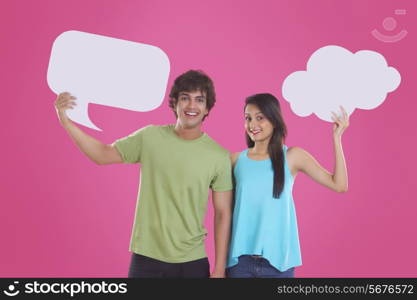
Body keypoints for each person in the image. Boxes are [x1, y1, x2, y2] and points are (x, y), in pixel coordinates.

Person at [54, 70, 233, 278]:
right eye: (185, 98)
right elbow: (102, 155)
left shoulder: (219, 156)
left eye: (199, 100)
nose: (192, 106)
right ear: (175, 103)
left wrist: (220, 268)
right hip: (146, 257)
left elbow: (222, 214)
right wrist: (65, 121)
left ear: (207, 108)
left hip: (192, 261)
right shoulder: (149, 137)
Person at [226, 93, 349, 278]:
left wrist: (337, 138)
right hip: (240, 264)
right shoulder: (235, 160)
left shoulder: (292, 156)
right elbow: (223, 211)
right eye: (248, 118)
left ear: (274, 120)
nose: (252, 125)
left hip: (278, 265)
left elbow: (339, 185)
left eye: (260, 118)